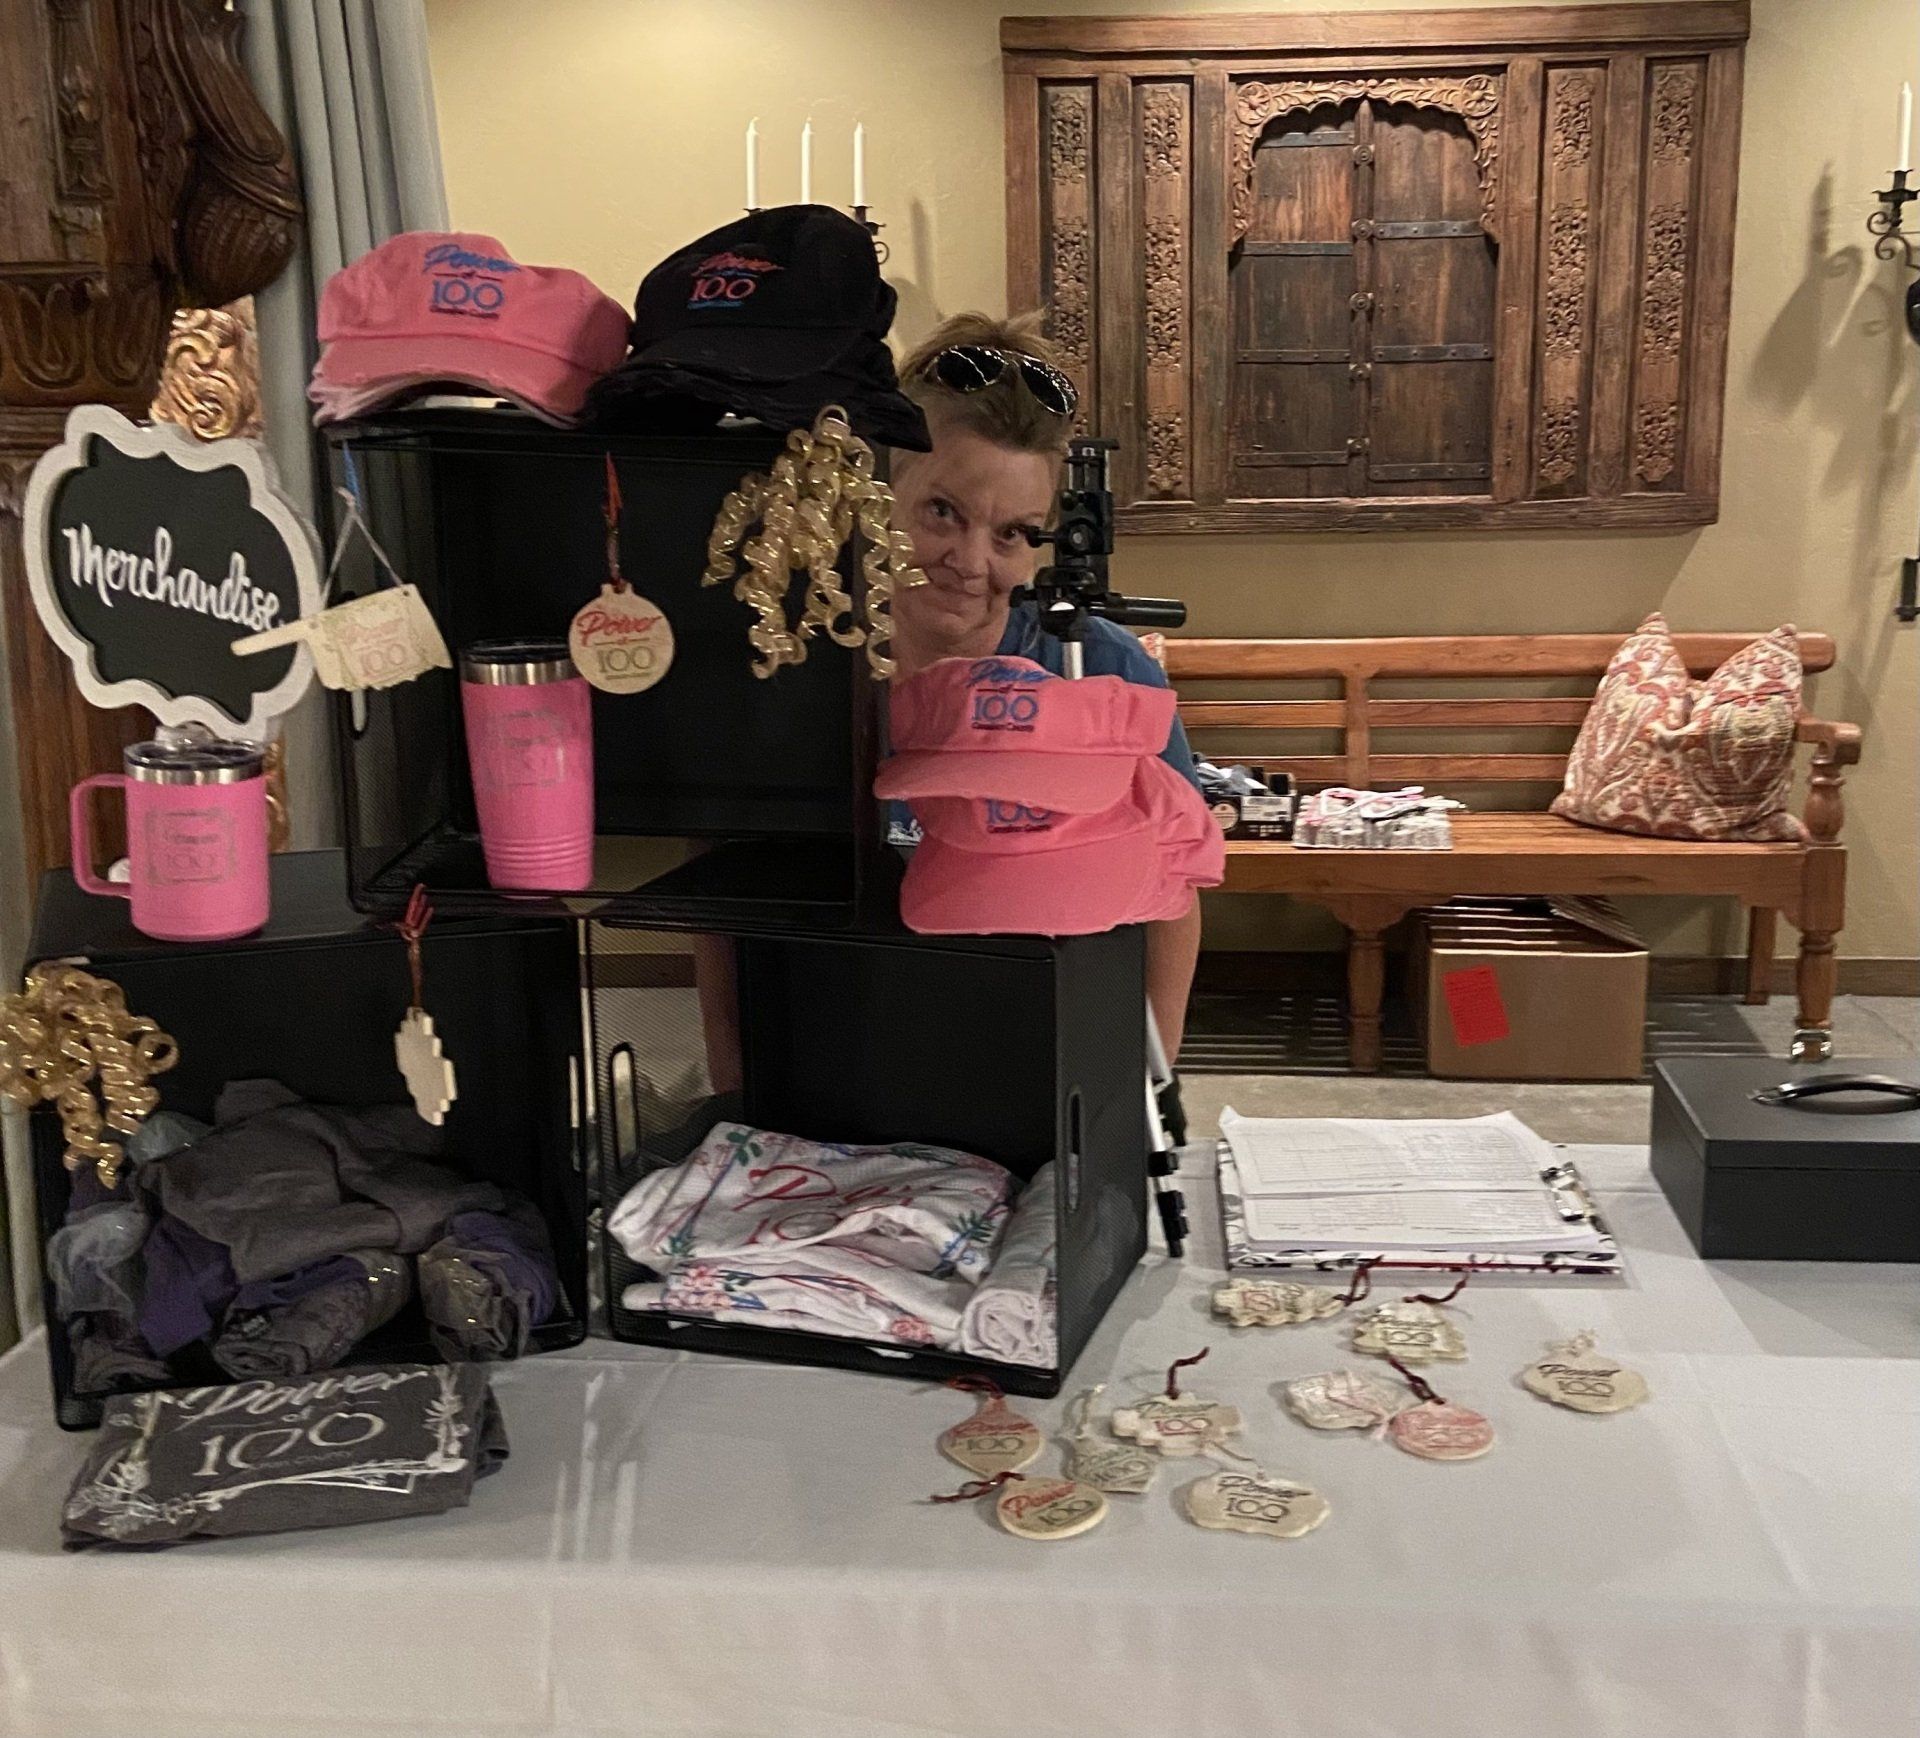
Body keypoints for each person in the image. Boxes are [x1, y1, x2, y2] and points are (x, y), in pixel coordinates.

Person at [885, 311, 1204, 1064]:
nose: (969, 560)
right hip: (860, 1042)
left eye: (1011, 534)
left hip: (1049, 1046)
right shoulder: (804, 663)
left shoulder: (1102, 669)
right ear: (881, 496)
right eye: (942, 512)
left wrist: (1147, 1086)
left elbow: (1175, 891)